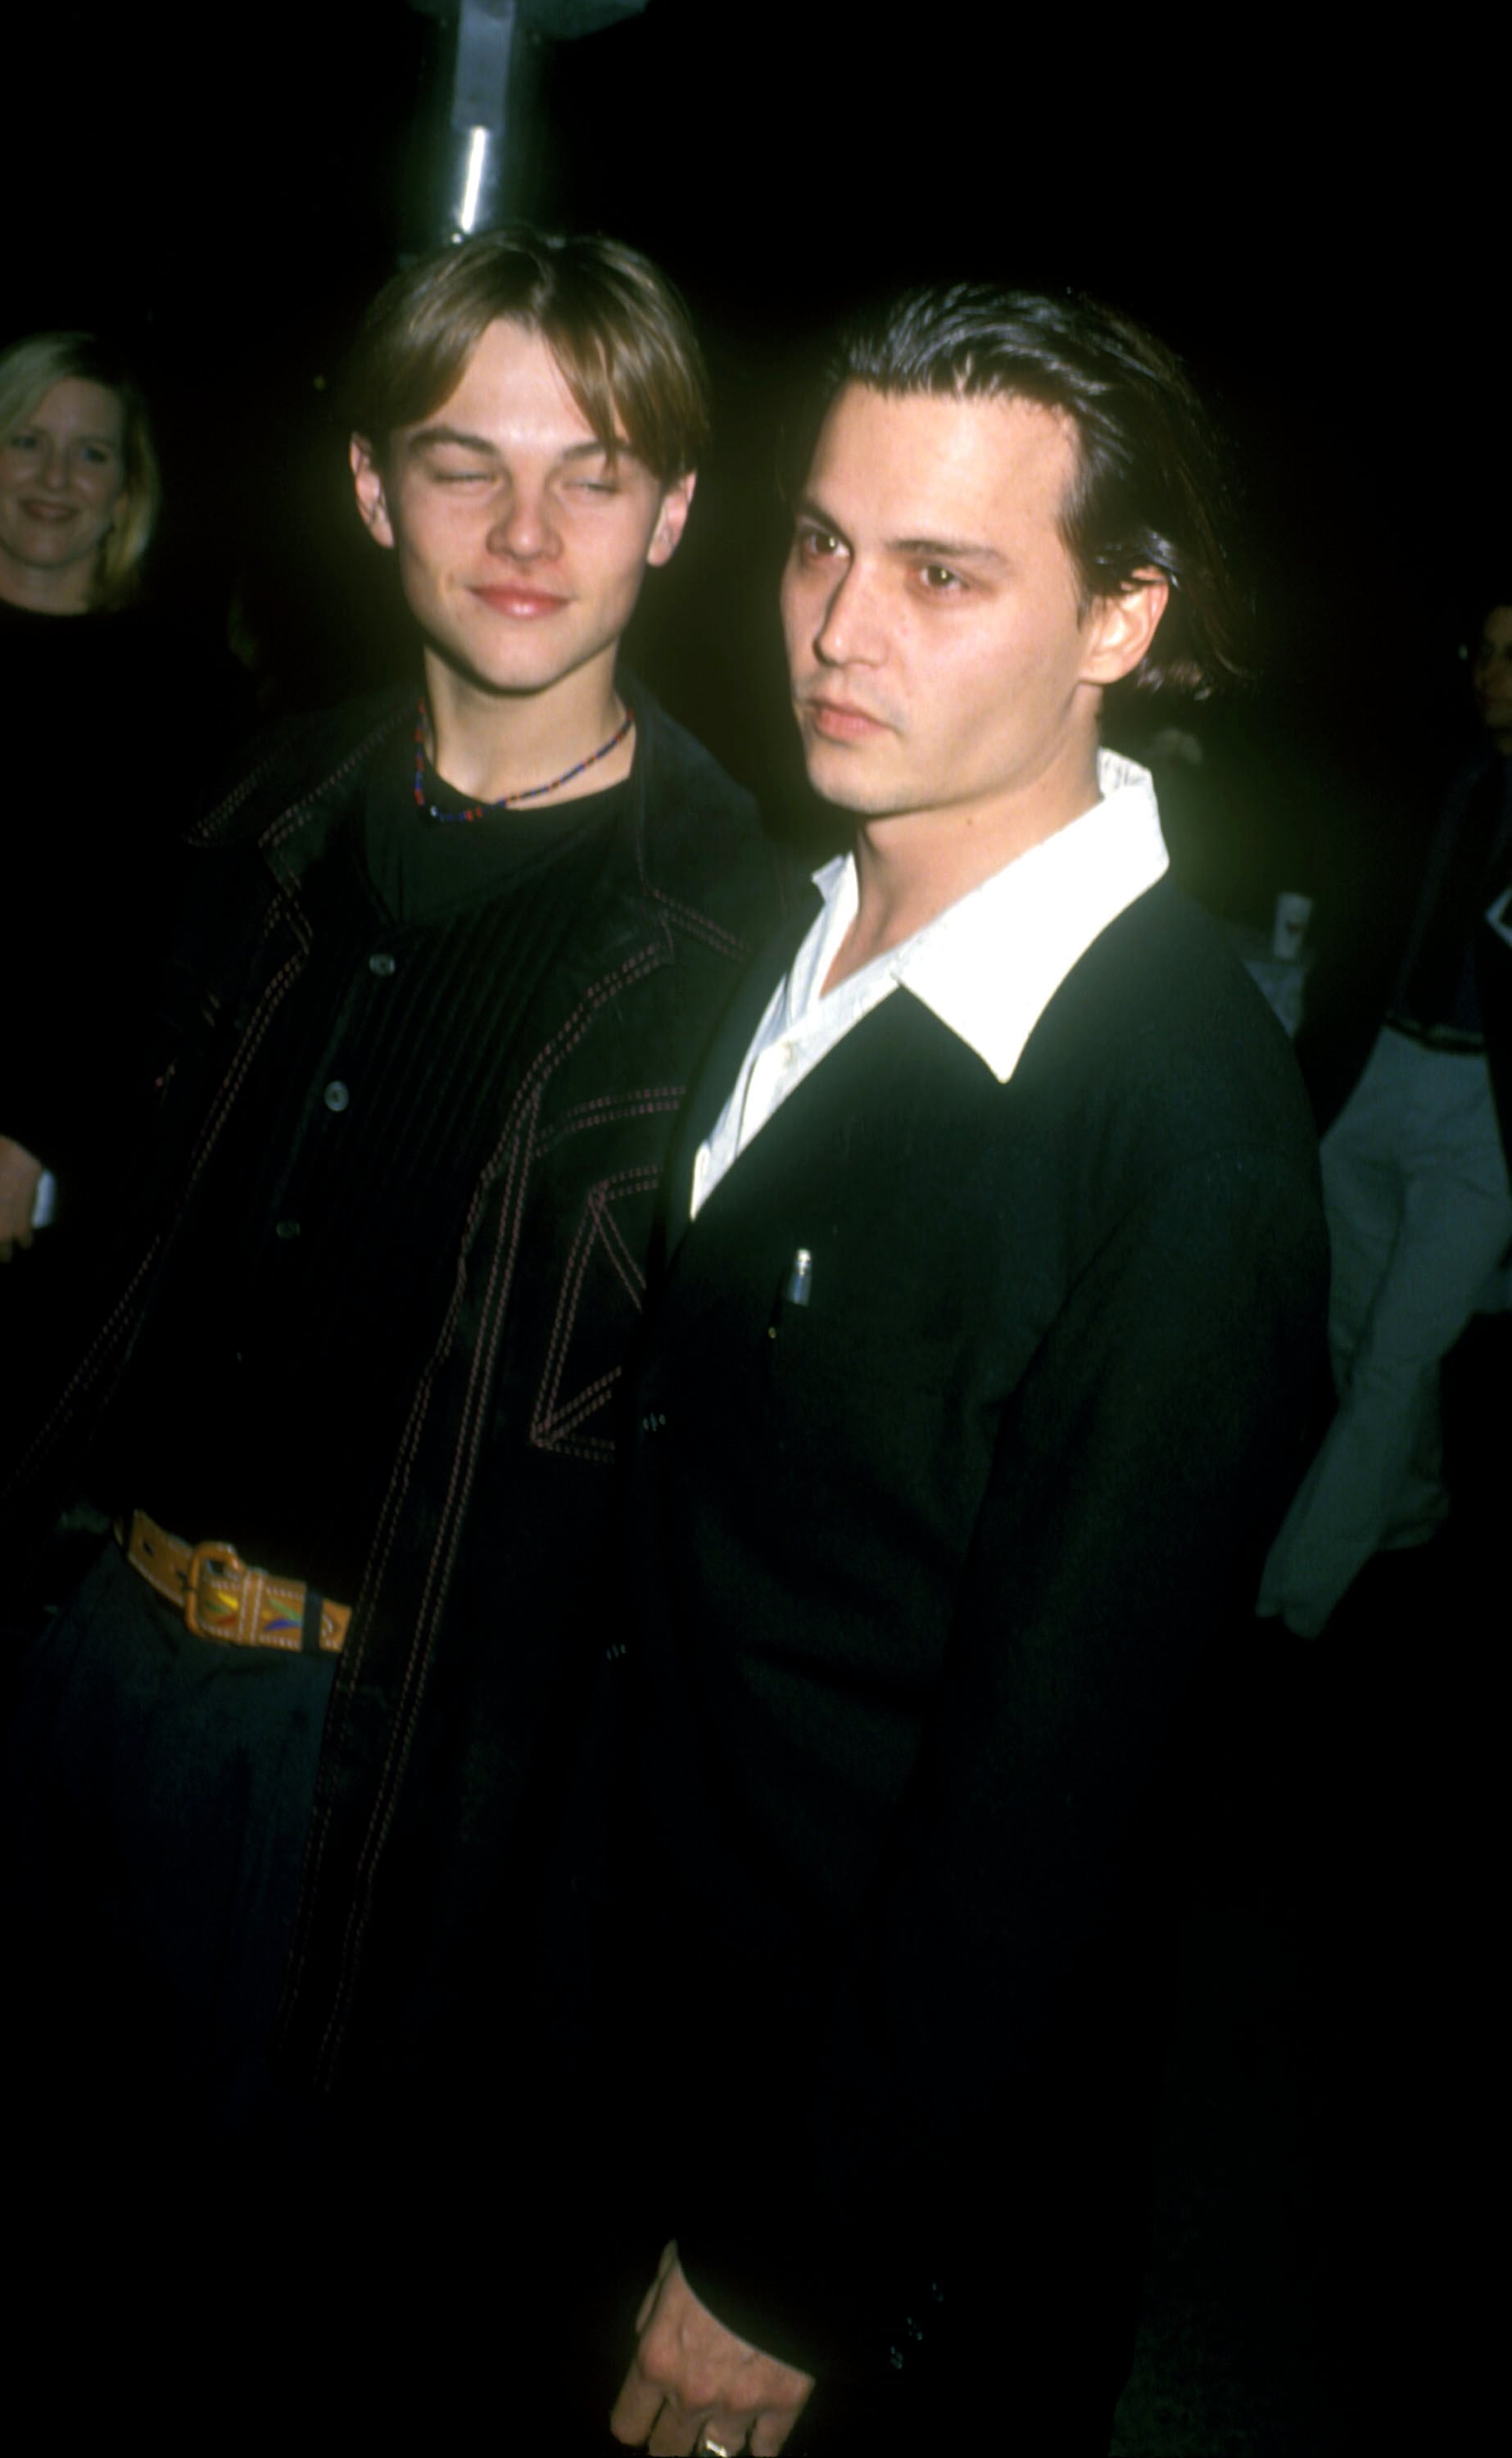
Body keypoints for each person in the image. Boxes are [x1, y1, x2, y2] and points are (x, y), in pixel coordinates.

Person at [0, 229, 786, 2356]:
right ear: (371, 489)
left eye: (592, 472)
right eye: (463, 463)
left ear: (673, 512)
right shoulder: (251, 811)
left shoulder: (738, 942)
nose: (526, 531)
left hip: (383, 1773)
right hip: (83, 1658)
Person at [575, 284, 1328, 2455]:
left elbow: (1060, 1791)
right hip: (621, 2038)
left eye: (939, 575)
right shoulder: (781, 918)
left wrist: (796, 2255)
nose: (837, 627)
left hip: (856, 2218)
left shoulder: (1176, 1130)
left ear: (1120, 616)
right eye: (821, 544)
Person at [1259, 594, 1512, 1636]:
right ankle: (1410, 1503)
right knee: (1358, 1325)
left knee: (1394, 1359)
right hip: (1379, 1070)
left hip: (1483, 1113)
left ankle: (1286, 1600)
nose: (1489, 672)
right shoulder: (1444, 776)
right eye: (1484, 650)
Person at [0, 330, 178, 1262]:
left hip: (46, 1184)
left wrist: (34, 1134)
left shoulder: (188, 694)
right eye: (26, 440)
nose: (55, 477)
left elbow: (150, 947)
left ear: (124, 491)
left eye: (92, 453)